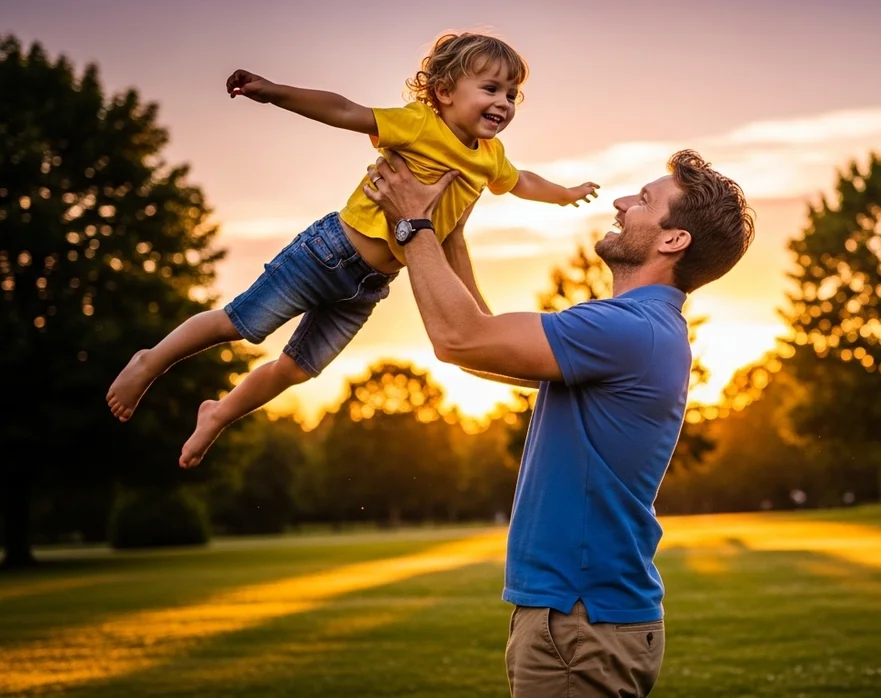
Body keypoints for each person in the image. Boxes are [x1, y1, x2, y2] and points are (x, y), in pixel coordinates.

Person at [361, 148, 754, 697]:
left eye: (644, 200)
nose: (621, 203)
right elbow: (483, 346)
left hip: (581, 622)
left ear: (673, 240)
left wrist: (411, 224)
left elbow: (459, 338)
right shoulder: (640, 329)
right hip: (583, 619)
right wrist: (449, 233)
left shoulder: (628, 329)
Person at [105, 32, 599, 468]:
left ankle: (219, 413)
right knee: (238, 324)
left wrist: (565, 194)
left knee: (296, 370)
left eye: (511, 94)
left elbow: (523, 181)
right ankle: (150, 360)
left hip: (369, 286)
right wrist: (274, 93)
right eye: (490, 89)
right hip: (328, 253)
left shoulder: (490, 157)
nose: (503, 103)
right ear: (445, 92)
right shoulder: (418, 125)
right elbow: (344, 110)